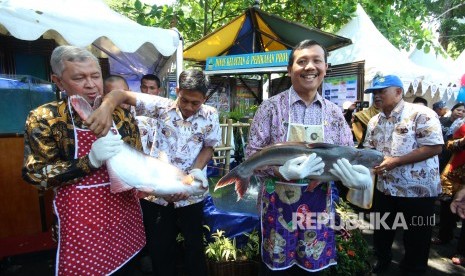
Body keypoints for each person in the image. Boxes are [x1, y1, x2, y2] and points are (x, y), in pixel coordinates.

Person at [246, 39, 372, 275]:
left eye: (317, 60)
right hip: (277, 208)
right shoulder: (270, 108)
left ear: (326, 67)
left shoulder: (334, 113)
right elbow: (251, 155)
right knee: (277, 270)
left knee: (311, 270)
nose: (310, 67)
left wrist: (358, 180)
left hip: (318, 210)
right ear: (290, 69)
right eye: (301, 61)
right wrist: (279, 171)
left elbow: (347, 157)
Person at [21, 45, 146, 275]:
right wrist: (90, 161)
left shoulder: (122, 115)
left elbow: (139, 161)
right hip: (82, 228)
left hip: (125, 222)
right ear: (58, 81)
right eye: (79, 78)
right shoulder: (46, 118)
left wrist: (164, 185)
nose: (91, 84)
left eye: (95, 76)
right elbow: (35, 174)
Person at [87, 68, 221, 276]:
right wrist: (106, 107)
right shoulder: (161, 107)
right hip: (156, 193)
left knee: (195, 247)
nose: (188, 107)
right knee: (160, 248)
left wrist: (197, 169)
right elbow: (120, 94)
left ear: (205, 98)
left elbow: (209, 146)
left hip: (192, 193)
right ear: (177, 91)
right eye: (184, 100)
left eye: (196, 103)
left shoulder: (211, 115)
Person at [363, 74, 444, 274]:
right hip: (385, 188)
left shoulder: (421, 113)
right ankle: (382, 261)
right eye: (374, 93)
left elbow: (434, 147)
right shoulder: (374, 120)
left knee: (417, 237)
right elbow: (368, 149)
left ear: (398, 92)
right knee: (381, 231)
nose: (377, 97)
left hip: (419, 192)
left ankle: (413, 269)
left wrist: (396, 161)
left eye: (382, 91)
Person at [433, 117, 465, 265]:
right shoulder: (461, 126)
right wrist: (462, 142)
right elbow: (449, 145)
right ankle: (445, 235)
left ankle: (462, 251)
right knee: (447, 207)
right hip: (455, 173)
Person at [137, 74, 162, 154]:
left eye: (152, 88)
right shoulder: (132, 108)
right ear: (141, 88)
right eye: (145, 87)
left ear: (159, 90)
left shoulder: (164, 110)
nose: (148, 92)